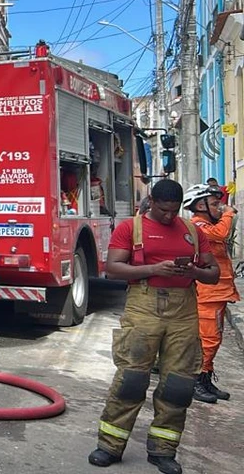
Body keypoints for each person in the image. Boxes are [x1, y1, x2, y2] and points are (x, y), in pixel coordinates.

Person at [88, 179, 219, 474]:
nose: (169, 217)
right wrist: (153, 269)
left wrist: (194, 270)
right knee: (132, 379)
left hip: (183, 310)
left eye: (174, 211)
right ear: (152, 201)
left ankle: (163, 449)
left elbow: (213, 273)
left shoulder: (192, 232)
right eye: (163, 211)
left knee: (178, 384)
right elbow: (112, 269)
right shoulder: (130, 229)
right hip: (143, 306)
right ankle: (109, 445)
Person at [186, 184, 239, 403]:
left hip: (218, 292)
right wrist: (228, 213)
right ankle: (197, 380)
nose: (220, 207)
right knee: (209, 339)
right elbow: (221, 233)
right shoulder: (198, 225)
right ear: (200, 205)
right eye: (215, 204)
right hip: (209, 293)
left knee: (213, 338)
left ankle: (205, 377)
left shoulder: (206, 224)